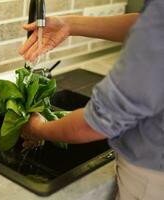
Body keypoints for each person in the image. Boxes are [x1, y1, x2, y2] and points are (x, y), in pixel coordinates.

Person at [19, 0, 164, 199]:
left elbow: (95, 124)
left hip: (153, 179)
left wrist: (38, 130)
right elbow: (148, 25)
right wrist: (69, 24)